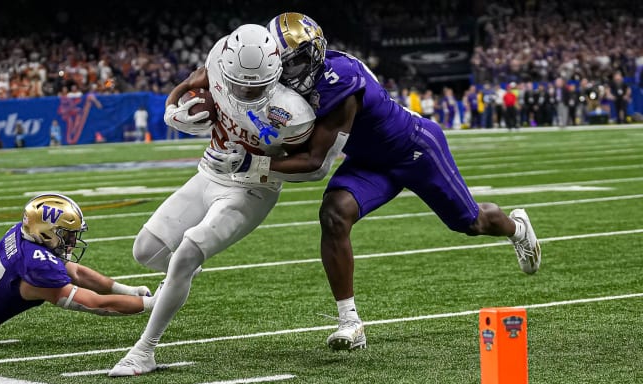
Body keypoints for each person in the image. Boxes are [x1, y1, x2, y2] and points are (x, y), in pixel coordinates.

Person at [226, 12, 536, 351]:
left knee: (472, 222)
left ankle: (516, 227)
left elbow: (315, 164)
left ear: (314, 53)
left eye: (295, 62)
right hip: (370, 162)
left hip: (414, 149)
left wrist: (253, 164)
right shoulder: (293, 80)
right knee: (333, 214)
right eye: (282, 64)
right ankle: (350, 322)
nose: (288, 72)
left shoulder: (340, 81)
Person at [108, 23, 316, 377]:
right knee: (145, 250)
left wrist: (257, 164)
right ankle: (181, 274)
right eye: (236, 84)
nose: (241, 93)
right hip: (209, 172)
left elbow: (310, 169)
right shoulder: (219, 58)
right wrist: (171, 108)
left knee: (186, 251)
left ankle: (144, 351)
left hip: (252, 189)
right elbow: (193, 81)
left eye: (253, 88)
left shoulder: (293, 111)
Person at [0, 193, 157, 349]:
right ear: (46, 230)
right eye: (67, 234)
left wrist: (128, 290)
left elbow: (77, 273)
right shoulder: (36, 267)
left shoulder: (22, 234)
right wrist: (153, 304)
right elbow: (97, 304)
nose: (73, 241)